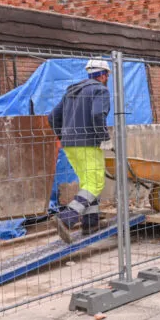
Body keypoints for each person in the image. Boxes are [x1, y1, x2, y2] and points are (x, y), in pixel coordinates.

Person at [48, 59, 112, 243]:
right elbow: (97, 114)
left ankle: (90, 223)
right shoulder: (100, 90)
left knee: (87, 183)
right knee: (96, 183)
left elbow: (53, 117)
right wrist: (104, 138)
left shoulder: (71, 92)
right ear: (102, 74)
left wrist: (64, 136)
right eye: (107, 74)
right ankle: (67, 217)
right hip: (88, 144)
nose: (107, 78)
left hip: (70, 145)